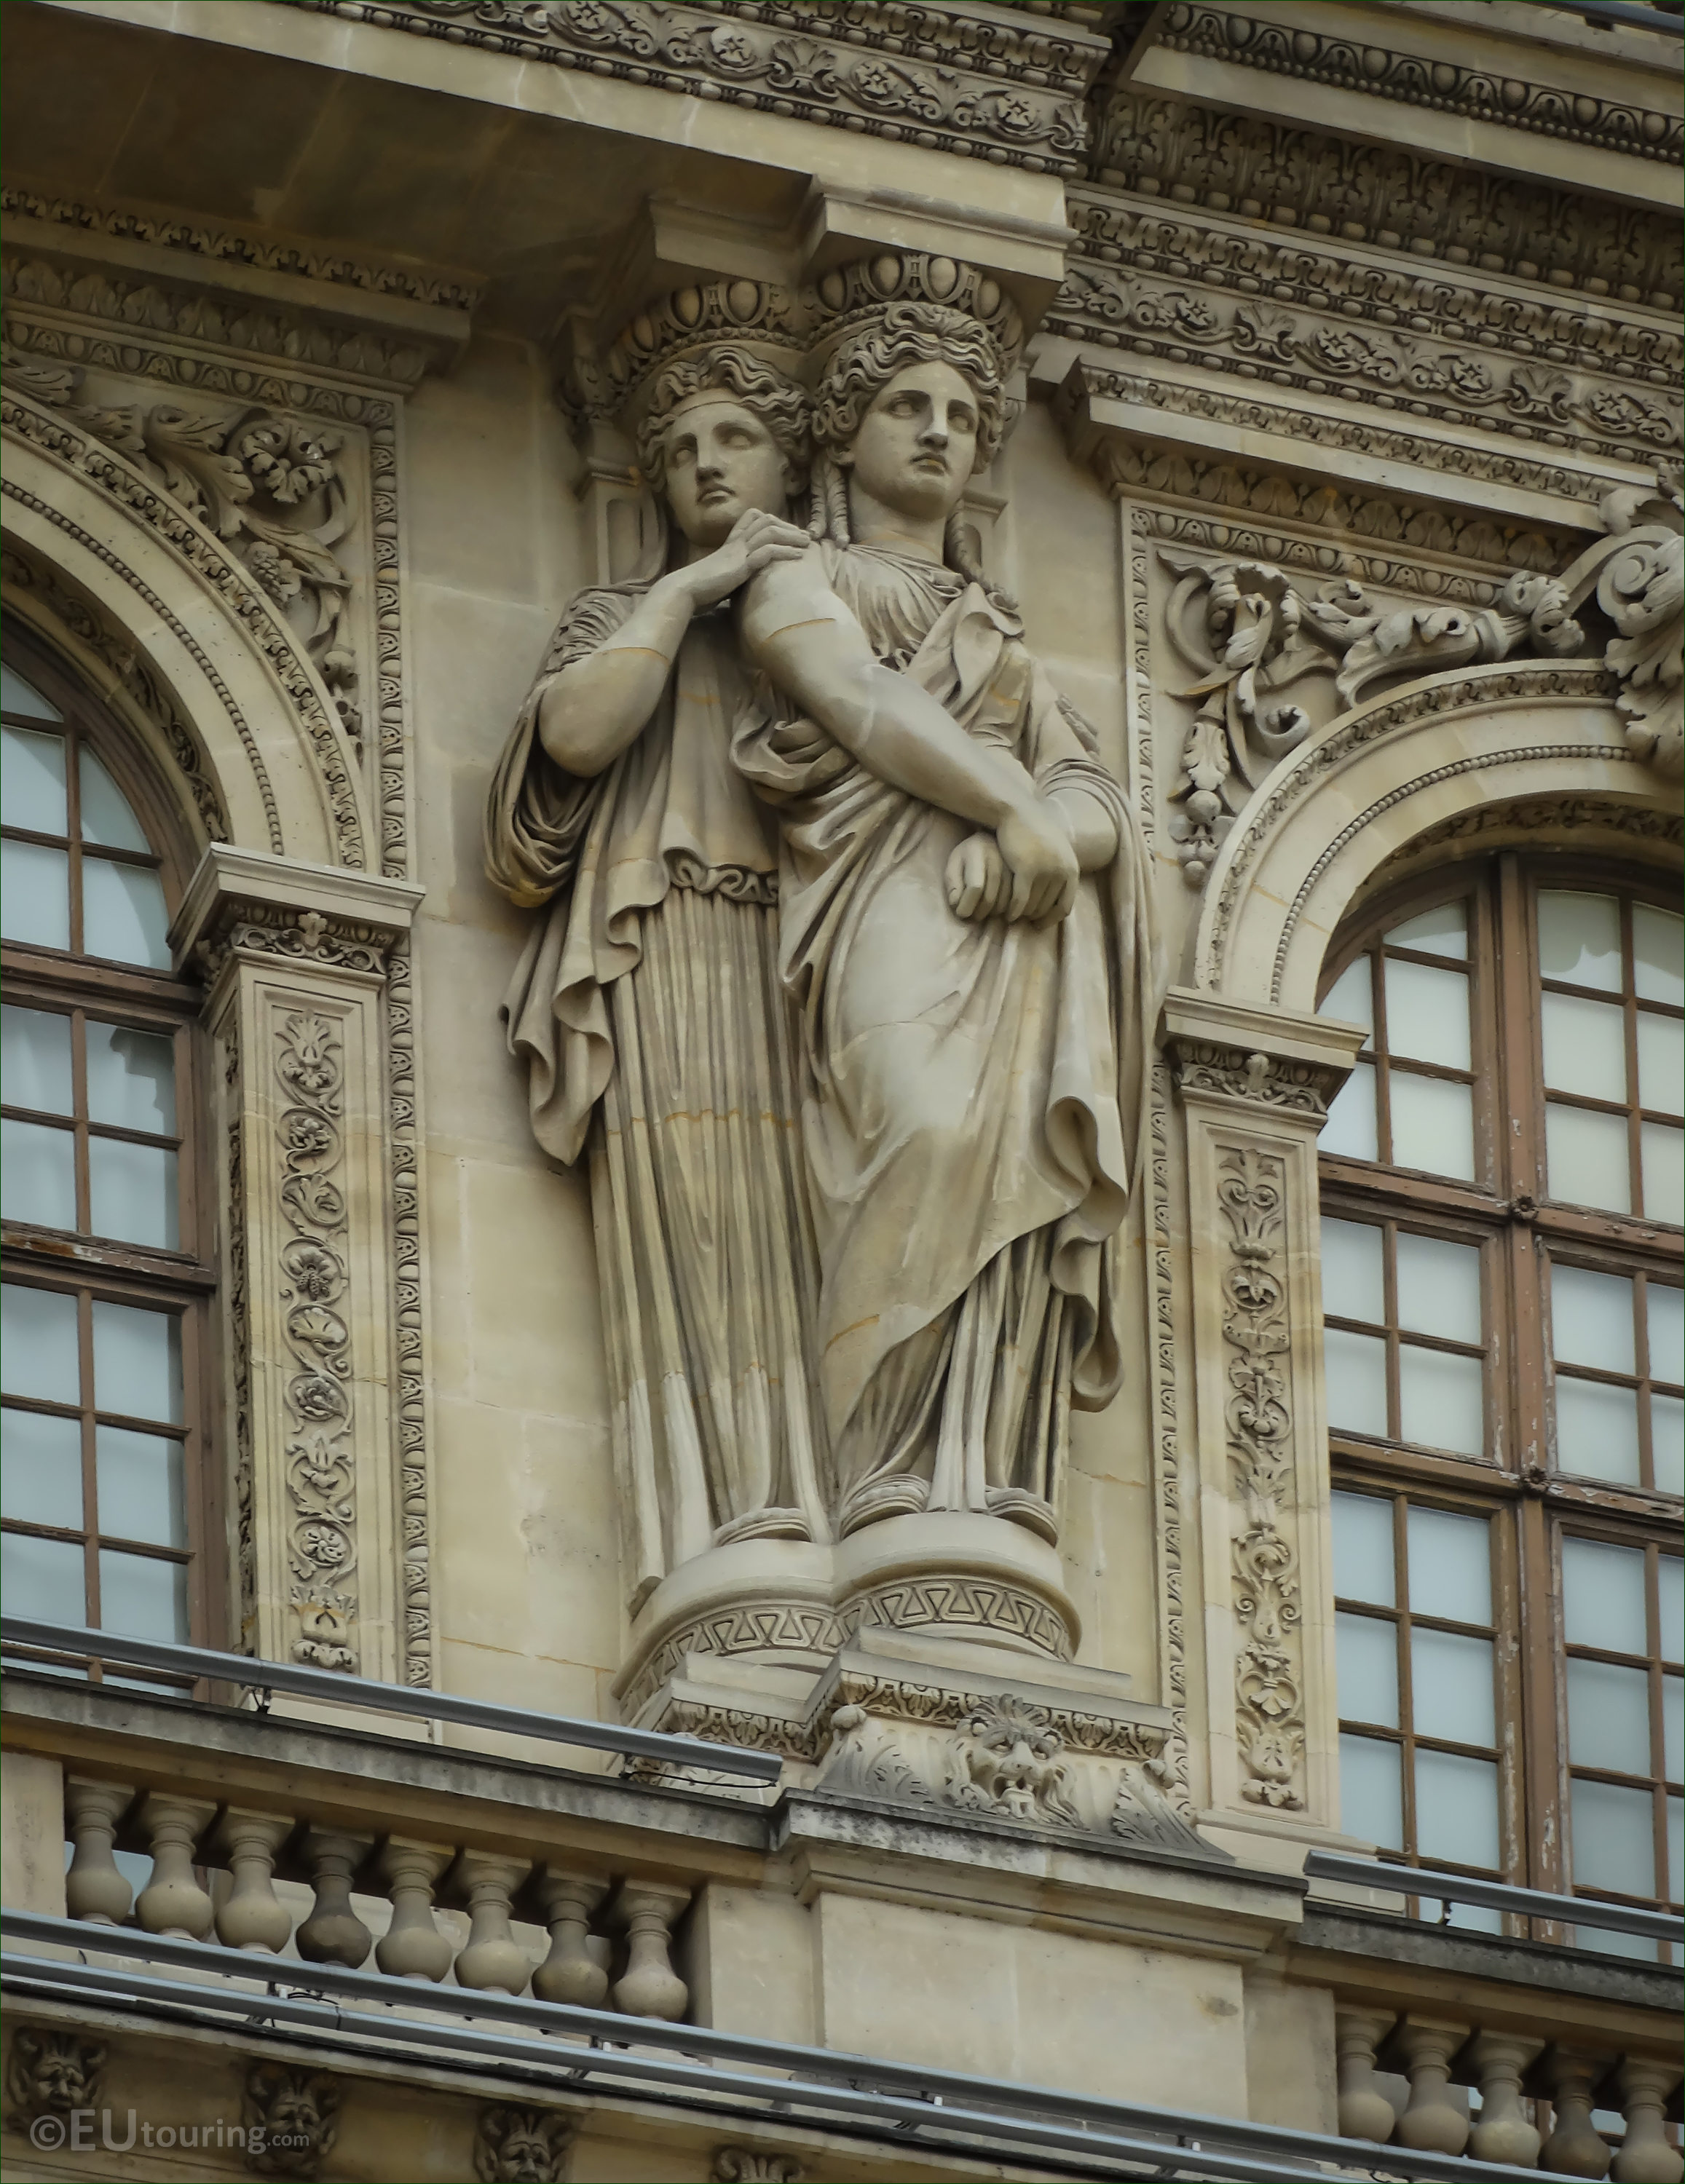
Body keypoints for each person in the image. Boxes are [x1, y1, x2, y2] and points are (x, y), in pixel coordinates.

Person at [730, 301, 1157, 1543]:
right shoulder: (798, 571)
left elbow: (1096, 797)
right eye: (906, 407)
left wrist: (1044, 834)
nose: (939, 433)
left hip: (1010, 925)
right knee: (916, 1128)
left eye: (964, 418)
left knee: (1008, 1157)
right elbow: (846, 691)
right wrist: (1007, 810)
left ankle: (977, 1456)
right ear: (841, 432)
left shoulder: (1000, 630)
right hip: (878, 897)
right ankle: (882, 1450)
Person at [484, 344, 831, 1600]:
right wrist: (689, 595)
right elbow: (575, 736)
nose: (705, 466)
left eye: (733, 440)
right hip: (673, 941)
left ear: (791, 456)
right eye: (680, 451)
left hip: (820, 950)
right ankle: (724, 1524)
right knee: (697, 1227)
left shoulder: (852, 611)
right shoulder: (621, 621)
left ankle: (827, 1503)